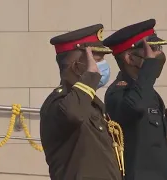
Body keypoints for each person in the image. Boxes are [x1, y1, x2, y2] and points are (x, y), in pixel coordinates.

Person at [40, 24, 124, 180]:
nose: (101, 68)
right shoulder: (58, 102)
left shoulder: (91, 102)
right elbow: (73, 113)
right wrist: (90, 77)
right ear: (76, 65)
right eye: (97, 60)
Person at [103, 19, 167, 180]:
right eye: (152, 50)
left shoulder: (148, 92)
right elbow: (136, 106)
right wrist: (149, 69)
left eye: (158, 48)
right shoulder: (117, 93)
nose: (158, 54)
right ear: (130, 58)